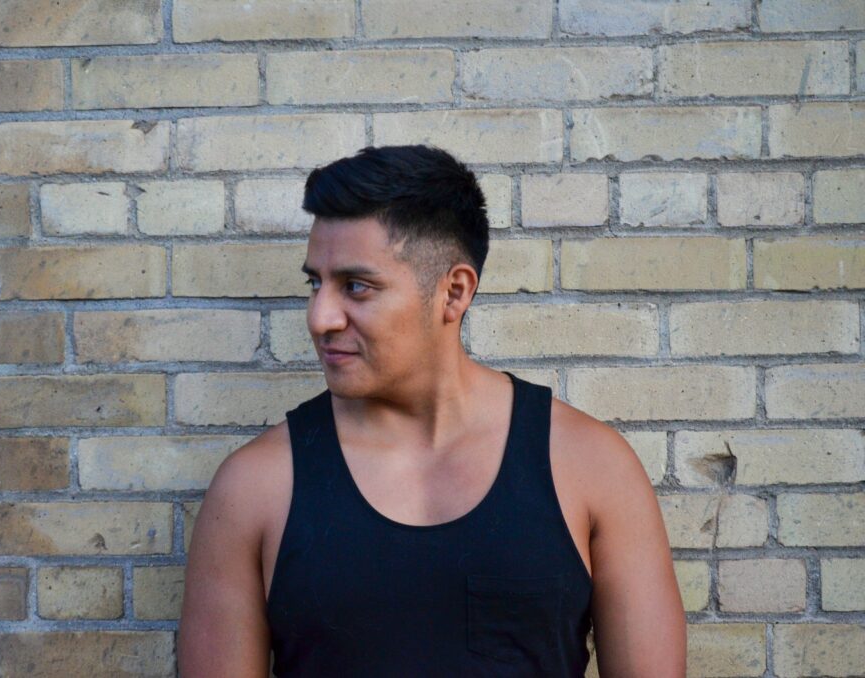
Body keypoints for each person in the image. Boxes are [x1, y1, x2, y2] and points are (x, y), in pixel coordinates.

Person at [178, 145, 686, 677]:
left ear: (454, 291)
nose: (320, 316)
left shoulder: (590, 467)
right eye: (315, 283)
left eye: (356, 286)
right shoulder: (255, 487)